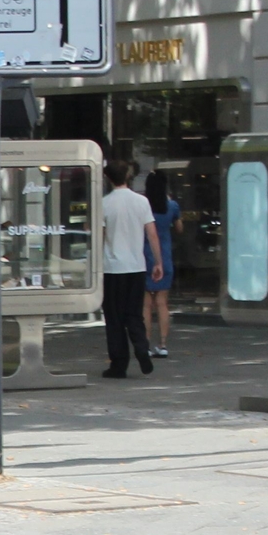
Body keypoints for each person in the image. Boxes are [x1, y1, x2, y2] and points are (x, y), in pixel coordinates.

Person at [98, 161, 159, 378]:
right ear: (128, 176)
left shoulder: (104, 204)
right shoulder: (141, 202)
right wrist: (157, 262)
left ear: (108, 178)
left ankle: (119, 364)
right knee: (134, 314)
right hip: (136, 266)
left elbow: (100, 236)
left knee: (114, 318)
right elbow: (151, 233)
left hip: (112, 268)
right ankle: (142, 348)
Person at [143, 169, 180, 358]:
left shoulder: (143, 206)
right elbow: (180, 228)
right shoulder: (172, 206)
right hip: (164, 258)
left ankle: (146, 345)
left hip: (144, 258)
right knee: (162, 303)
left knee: (146, 305)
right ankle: (163, 344)